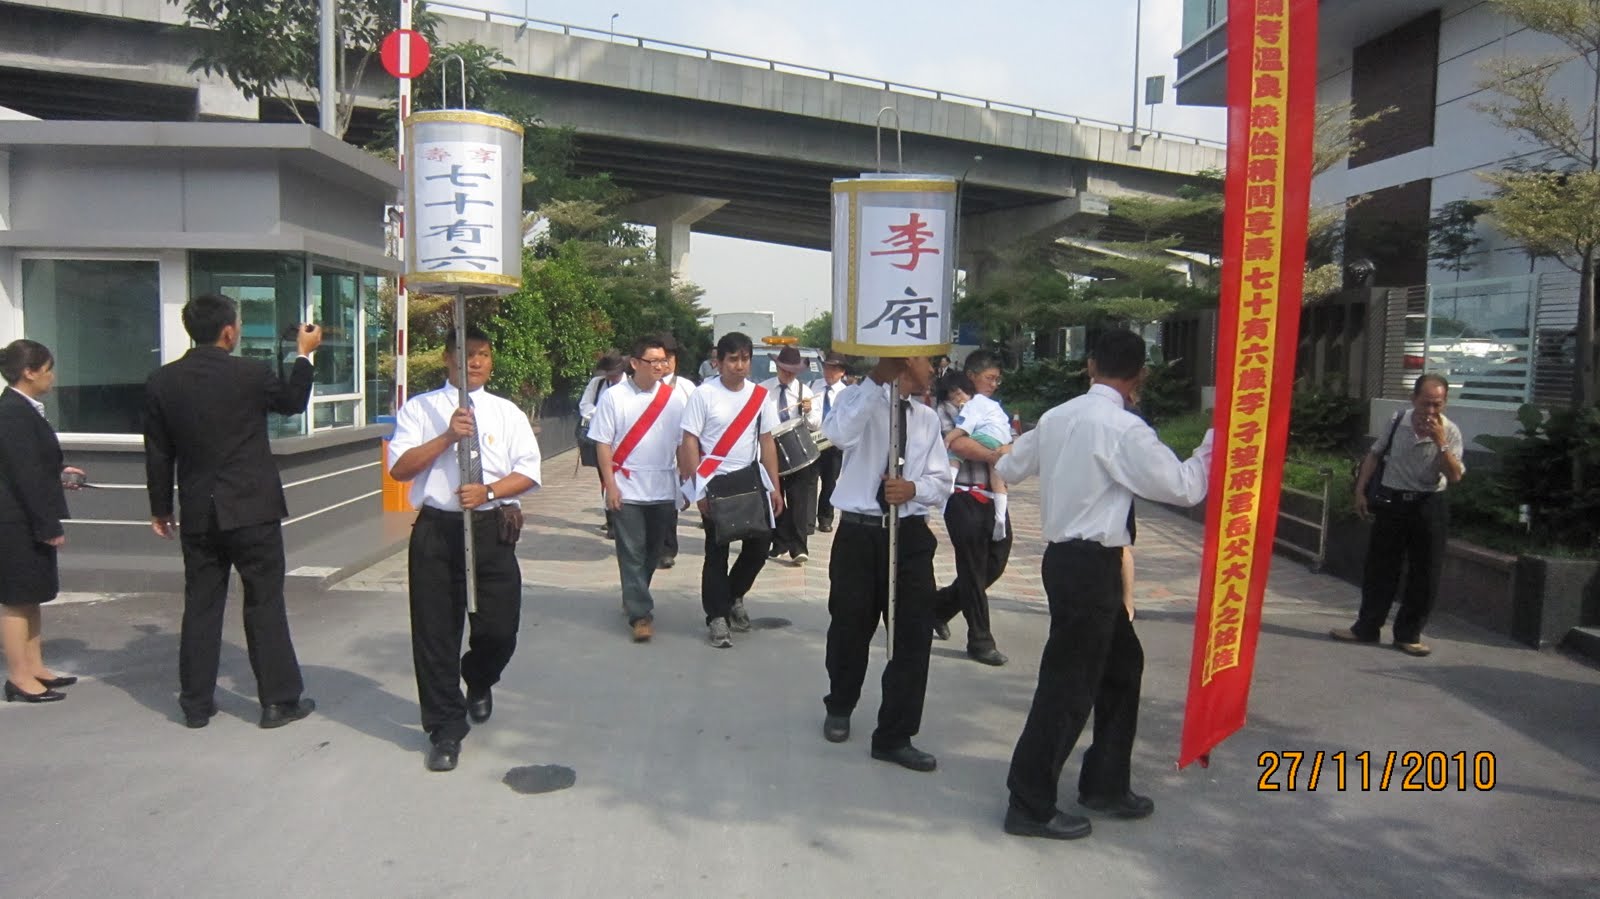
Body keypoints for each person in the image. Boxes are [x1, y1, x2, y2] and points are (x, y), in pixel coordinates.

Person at [995, 329, 1213, 841]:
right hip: (1091, 566)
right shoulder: (1124, 428)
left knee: (1121, 667)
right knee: (1069, 685)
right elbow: (1183, 487)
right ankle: (1029, 802)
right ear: (1140, 375)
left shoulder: (1058, 416)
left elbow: (1008, 465)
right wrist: (1214, 443)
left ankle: (1106, 783)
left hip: (1065, 562)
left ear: (1091, 365)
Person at [144, 294, 321, 730]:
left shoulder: (163, 381)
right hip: (251, 508)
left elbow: (158, 452)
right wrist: (303, 355)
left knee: (201, 604)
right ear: (228, 330)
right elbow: (293, 402)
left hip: (199, 511)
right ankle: (278, 702)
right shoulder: (250, 373)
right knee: (264, 602)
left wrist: (160, 508)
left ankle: (196, 703)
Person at [388, 326, 541, 772]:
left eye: (482, 354)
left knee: (499, 629)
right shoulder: (421, 409)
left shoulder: (507, 412)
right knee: (435, 634)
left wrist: (490, 491)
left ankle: (478, 677)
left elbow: (529, 472)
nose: (474, 361)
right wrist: (447, 438)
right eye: (465, 353)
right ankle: (445, 729)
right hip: (438, 531)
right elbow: (400, 469)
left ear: (491, 362)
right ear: (446, 358)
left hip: (490, 528)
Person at [819, 355, 953, 771]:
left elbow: (941, 481)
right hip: (860, 533)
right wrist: (877, 379)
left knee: (913, 635)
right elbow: (837, 434)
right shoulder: (857, 401)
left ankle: (895, 734)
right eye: (928, 361)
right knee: (849, 624)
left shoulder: (927, 419)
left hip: (909, 534)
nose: (934, 369)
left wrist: (913, 487)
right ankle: (840, 703)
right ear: (903, 361)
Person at [1331, 373, 1464, 657]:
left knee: (1425, 572)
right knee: (1380, 568)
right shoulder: (1396, 421)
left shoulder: (1450, 431)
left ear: (1445, 403)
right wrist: (1360, 490)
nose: (1430, 411)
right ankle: (1366, 628)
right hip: (1392, 501)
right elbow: (1375, 455)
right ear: (1413, 398)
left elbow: (1454, 476)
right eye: (1425, 403)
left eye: (1437, 405)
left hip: (1429, 504)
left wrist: (1441, 443)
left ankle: (1409, 634)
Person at [678, 332, 784, 649]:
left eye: (745, 359)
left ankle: (733, 595)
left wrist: (775, 487)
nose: (740, 366)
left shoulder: (759, 396)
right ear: (719, 362)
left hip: (750, 481)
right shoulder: (703, 395)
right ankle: (717, 617)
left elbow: (767, 441)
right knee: (717, 552)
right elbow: (689, 441)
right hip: (715, 481)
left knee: (760, 545)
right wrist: (697, 490)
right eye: (733, 359)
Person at [0, 340, 86, 704]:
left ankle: (35, 665)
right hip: (15, 521)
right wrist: (48, 524)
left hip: (25, 517)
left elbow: (35, 464)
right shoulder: (12, 413)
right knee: (16, 599)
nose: (52, 376)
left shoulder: (26, 409)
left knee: (33, 594)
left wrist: (60, 470)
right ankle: (18, 676)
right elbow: (23, 475)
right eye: (48, 368)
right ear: (29, 372)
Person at [590, 335, 687, 642]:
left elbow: (683, 444)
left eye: (663, 360)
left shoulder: (674, 399)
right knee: (631, 551)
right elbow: (603, 444)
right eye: (653, 361)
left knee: (654, 550)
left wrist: (686, 483)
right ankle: (640, 613)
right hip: (627, 486)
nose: (660, 366)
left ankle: (634, 593)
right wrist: (611, 485)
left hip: (661, 486)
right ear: (635, 364)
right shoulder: (614, 397)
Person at [930, 351, 1014, 666]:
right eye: (989, 378)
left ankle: (938, 607)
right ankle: (980, 640)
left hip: (993, 494)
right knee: (973, 567)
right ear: (972, 376)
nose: (994, 384)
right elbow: (958, 444)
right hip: (962, 496)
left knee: (996, 560)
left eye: (997, 379)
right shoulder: (947, 409)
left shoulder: (992, 409)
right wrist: (995, 454)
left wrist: (1003, 450)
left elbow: (1012, 442)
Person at [761, 345, 820, 565]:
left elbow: (815, 424)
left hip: (797, 452)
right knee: (775, 498)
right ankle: (779, 542)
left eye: (792, 372)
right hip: (771, 449)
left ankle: (799, 547)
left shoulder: (806, 392)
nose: (787, 375)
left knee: (799, 501)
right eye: (784, 370)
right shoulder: (763, 390)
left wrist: (808, 410)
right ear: (777, 367)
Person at [657, 336, 698, 570]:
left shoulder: (686, 388)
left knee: (670, 504)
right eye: (662, 358)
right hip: (649, 454)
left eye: (670, 358)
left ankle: (666, 549)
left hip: (677, 454)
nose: (666, 364)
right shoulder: (643, 386)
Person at [578, 352, 627, 537]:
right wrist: (599, 414)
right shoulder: (597, 384)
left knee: (622, 480)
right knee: (606, 480)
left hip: (624, 441)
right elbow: (585, 405)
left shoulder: (629, 386)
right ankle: (611, 520)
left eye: (613, 373)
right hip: (602, 439)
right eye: (607, 373)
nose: (610, 377)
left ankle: (624, 518)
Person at [810, 353, 849, 533]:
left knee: (829, 482)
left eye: (833, 369)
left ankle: (825, 517)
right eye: (826, 368)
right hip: (814, 439)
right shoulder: (814, 386)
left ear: (841, 372)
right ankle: (808, 519)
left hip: (833, 443)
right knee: (810, 481)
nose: (828, 372)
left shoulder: (847, 392)